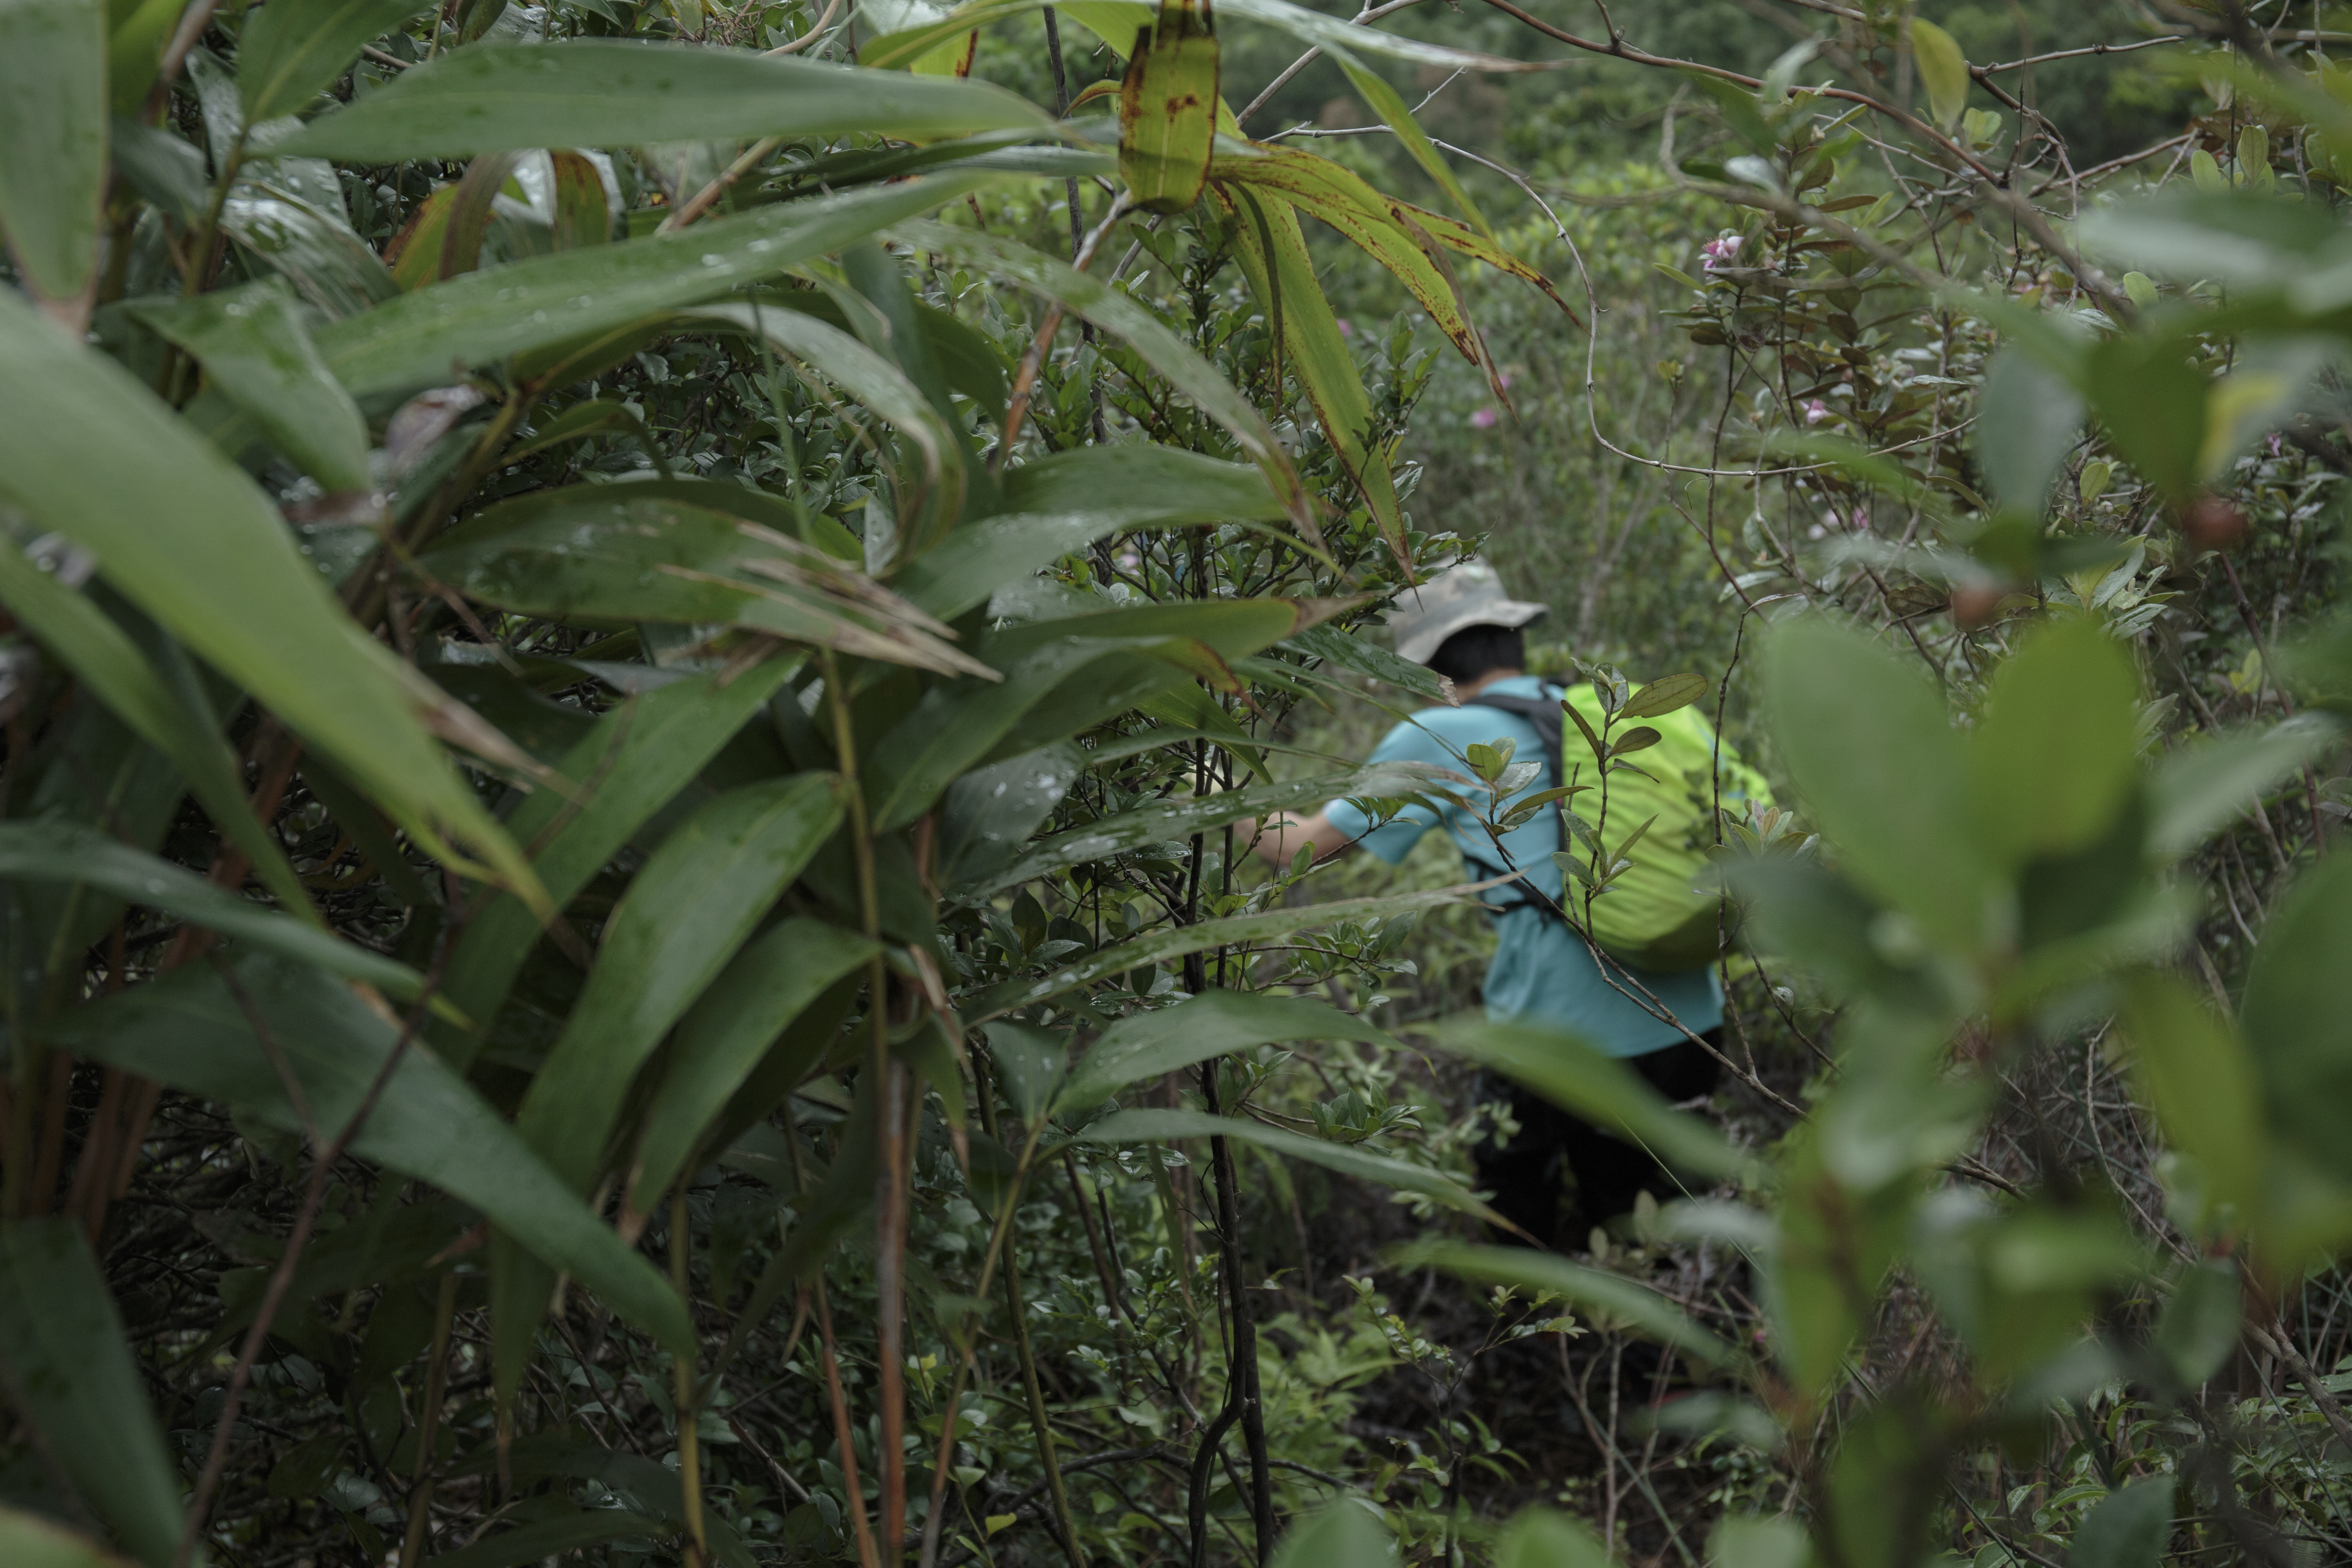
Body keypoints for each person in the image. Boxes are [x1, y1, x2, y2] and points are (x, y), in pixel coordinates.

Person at [1242, 558, 1726, 1251]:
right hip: (1689, 1019)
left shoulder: (1441, 731)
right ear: (1514, 637)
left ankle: (1528, 1350)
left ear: (1431, 667)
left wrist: (1205, 802)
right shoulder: (1612, 709)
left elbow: (1300, 849)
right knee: (1663, 1240)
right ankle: (1667, 1356)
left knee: (1517, 1229)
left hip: (1551, 1039)